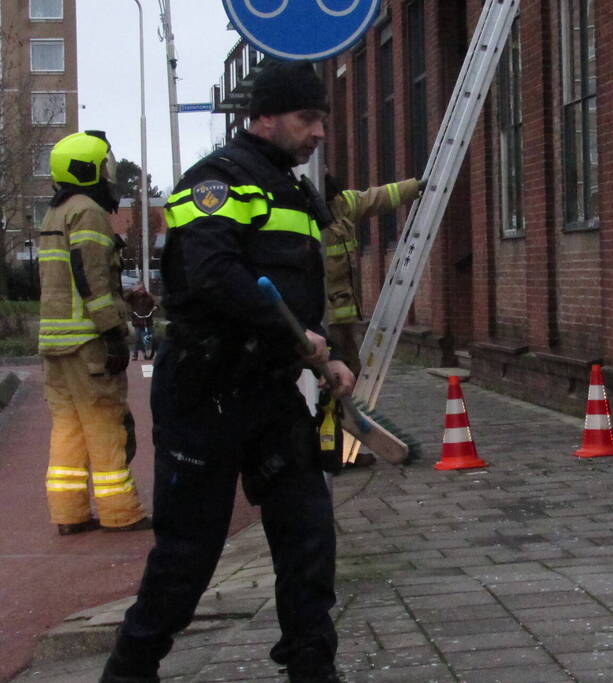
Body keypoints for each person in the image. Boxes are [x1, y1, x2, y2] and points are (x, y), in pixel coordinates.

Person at [100, 61, 355, 683]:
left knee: (307, 532)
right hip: (205, 390)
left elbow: (301, 294)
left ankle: (311, 666)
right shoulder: (214, 183)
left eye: (322, 117)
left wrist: (327, 353)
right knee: (189, 552)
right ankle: (131, 669)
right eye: (307, 118)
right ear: (263, 116)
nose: (319, 131)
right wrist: (295, 336)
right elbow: (215, 276)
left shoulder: (291, 189)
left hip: (269, 390)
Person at [37, 131, 151, 536]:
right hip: (89, 342)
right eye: (105, 167)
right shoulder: (88, 212)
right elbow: (91, 277)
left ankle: (68, 512)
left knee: (67, 428)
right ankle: (121, 512)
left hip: (55, 342)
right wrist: (113, 333)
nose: (109, 175)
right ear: (88, 170)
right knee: (106, 424)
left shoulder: (55, 213)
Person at [319, 173, 422, 469]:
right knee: (334, 384)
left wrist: (416, 187)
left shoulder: (343, 204)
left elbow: (378, 196)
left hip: (342, 319)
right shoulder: (305, 216)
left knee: (348, 378)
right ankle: (332, 451)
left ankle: (338, 450)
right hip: (323, 321)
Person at [124, 284, 158, 360]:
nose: (141, 291)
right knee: (137, 339)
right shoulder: (133, 297)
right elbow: (126, 298)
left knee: (148, 338)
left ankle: (148, 353)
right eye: (139, 289)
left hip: (147, 320)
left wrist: (156, 307)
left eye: (142, 289)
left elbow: (155, 303)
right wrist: (132, 291)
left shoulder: (149, 297)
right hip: (137, 321)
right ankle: (135, 354)